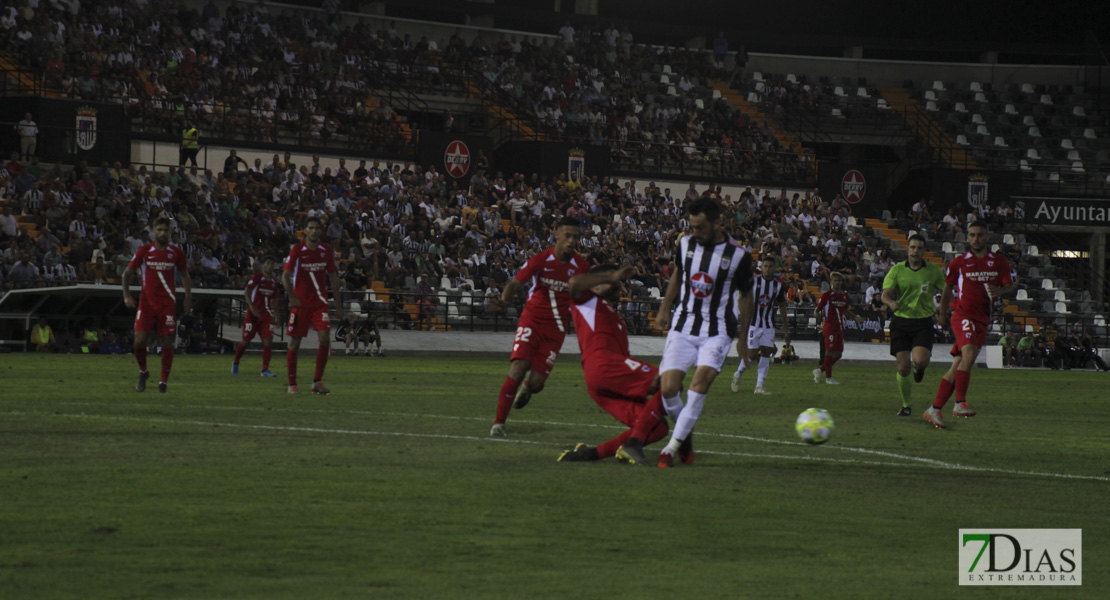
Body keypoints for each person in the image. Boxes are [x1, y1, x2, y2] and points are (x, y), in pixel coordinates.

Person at [653, 198, 754, 468]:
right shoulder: (685, 244)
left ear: (717, 223)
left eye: (700, 228)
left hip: (718, 330)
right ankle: (684, 437)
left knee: (698, 386)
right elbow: (678, 274)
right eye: (692, 227)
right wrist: (664, 309)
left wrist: (743, 337)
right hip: (683, 325)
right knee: (668, 389)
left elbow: (746, 295)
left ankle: (670, 449)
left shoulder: (739, 256)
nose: (694, 233)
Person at [486, 216, 589, 437]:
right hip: (532, 320)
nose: (572, 241)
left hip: (556, 330)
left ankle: (529, 388)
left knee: (537, 383)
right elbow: (515, 283)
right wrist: (505, 300)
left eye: (576, 238)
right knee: (519, 367)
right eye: (568, 236)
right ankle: (498, 424)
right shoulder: (541, 260)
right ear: (557, 234)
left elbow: (588, 298)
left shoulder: (581, 267)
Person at [557, 264, 669, 465]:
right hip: (604, 365)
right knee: (669, 380)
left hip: (604, 377)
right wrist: (609, 275)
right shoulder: (588, 302)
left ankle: (590, 454)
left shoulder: (611, 315)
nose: (617, 285)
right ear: (596, 286)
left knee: (658, 428)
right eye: (612, 282)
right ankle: (633, 445)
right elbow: (573, 284)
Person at [926, 221, 1014, 429]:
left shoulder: (999, 261)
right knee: (969, 353)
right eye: (972, 235)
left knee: (958, 363)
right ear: (968, 238)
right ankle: (959, 403)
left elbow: (1009, 285)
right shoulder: (959, 262)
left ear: (987, 237)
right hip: (963, 314)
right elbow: (947, 289)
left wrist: (1000, 291)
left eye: (980, 235)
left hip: (983, 319)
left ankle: (935, 408)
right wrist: (943, 313)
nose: (976, 239)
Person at [122, 216, 193, 393]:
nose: (162, 233)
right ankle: (143, 371)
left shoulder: (176, 253)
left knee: (166, 341)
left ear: (170, 232)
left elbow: (185, 276)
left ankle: (163, 382)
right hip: (146, 303)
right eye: (159, 230)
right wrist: (126, 295)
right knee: (139, 340)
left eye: (165, 230)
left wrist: (187, 297)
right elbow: (127, 273)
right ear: (153, 231)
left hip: (167, 304)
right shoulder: (144, 251)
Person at [881, 234, 945, 416]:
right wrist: (891, 303)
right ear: (907, 250)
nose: (915, 251)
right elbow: (885, 294)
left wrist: (944, 311)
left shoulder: (933, 271)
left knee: (921, 360)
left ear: (924, 251)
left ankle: (920, 369)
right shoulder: (897, 270)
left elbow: (946, 290)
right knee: (902, 367)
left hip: (923, 322)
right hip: (901, 321)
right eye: (912, 247)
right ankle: (906, 405)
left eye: (919, 248)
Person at [283, 217, 344, 394]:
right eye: (311, 228)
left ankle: (317, 381)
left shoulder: (326, 250)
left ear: (321, 231)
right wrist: (292, 297)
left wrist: (338, 305)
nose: (314, 231)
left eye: (317, 228)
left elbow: (333, 278)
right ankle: (292, 383)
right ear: (305, 231)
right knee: (295, 343)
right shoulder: (297, 250)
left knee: (325, 339)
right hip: (301, 304)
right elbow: (285, 276)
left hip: (320, 304)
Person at [730, 256, 788, 395]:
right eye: (765, 266)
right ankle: (738, 374)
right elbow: (741, 298)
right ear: (761, 268)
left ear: (774, 268)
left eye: (770, 266)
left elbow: (782, 305)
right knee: (751, 354)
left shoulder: (777, 286)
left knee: (767, 352)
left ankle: (759, 386)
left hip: (768, 325)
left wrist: (785, 325)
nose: (768, 269)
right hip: (753, 324)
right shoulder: (753, 282)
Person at [813, 272, 864, 385]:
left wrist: (856, 317)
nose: (837, 282)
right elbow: (818, 308)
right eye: (835, 280)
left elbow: (845, 310)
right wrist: (816, 313)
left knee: (839, 354)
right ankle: (828, 378)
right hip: (829, 327)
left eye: (839, 281)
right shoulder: (826, 295)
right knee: (829, 351)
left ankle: (820, 370)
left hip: (839, 327)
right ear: (831, 282)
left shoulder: (844, 295)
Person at [232, 257, 279, 377]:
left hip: (266, 315)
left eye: (272, 264)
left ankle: (265, 370)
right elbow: (247, 292)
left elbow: (274, 299)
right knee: (245, 341)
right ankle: (236, 362)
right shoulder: (257, 278)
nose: (270, 266)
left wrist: (277, 315)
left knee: (268, 341)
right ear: (264, 265)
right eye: (268, 263)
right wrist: (252, 308)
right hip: (252, 315)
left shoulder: (274, 281)